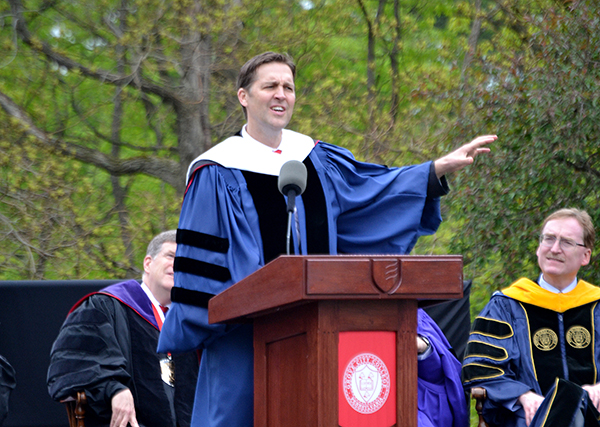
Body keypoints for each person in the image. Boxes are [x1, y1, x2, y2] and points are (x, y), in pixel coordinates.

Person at [157, 51, 496, 427]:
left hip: (318, 331)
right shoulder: (216, 171)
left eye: (288, 87)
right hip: (244, 339)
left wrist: (433, 171)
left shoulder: (316, 160)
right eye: (270, 85)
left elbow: (372, 194)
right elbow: (201, 271)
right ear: (244, 97)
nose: (280, 94)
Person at [462, 208, 600, 427]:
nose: (555, 249)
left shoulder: (596, 305)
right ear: (538, 249)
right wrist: (522, 395)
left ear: (585, 256)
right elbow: (481, 367)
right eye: (549, 239)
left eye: (566, 242)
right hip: (528, 418)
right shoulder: (506, 306)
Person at [47, 230, 199, 427]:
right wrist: (115, 389)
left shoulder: (192, 323)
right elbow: (73, 364)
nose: (177, 265)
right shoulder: (106, 307)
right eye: (170, 256)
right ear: (148, 263)